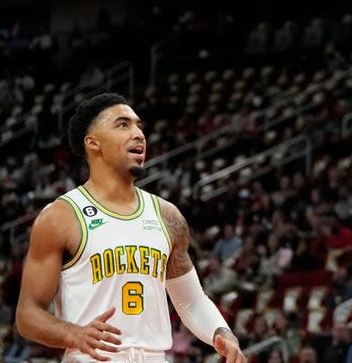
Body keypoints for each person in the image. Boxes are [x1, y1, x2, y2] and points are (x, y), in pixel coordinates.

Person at [15, 93, 245, 363]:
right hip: (92, 358)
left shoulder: (167, 216)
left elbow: (191, 301)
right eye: (123, 125)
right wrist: (73, 334)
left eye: (139, 126)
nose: (138, 134)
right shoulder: (60, 217)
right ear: (93, 143)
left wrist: (223, 333)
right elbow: (27, 314)